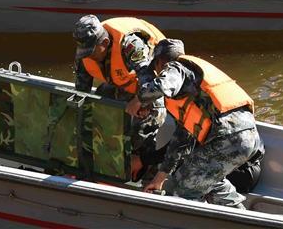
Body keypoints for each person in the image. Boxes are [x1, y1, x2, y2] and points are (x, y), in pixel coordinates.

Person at [132, 39, 262, 208]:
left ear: (160, 62)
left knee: (183, 187)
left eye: (156, 68)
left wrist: (139, 99)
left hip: (226, 137)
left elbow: (163, 85)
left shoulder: (176, 67)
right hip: (249, 137)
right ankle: (242, 217)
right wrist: (160, 177)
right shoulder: (193, 86)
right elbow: (181, 141)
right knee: (206, 178)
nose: (156, 72)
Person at [73, 15, 166, 179]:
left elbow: (151, 83)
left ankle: (147, 174)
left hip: (155, 85)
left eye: (91, 52)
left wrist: (138, 101)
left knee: (143, 128)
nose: (87, 56)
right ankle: (101, 165)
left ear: (105, 43)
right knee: (96, 112)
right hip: (123, 82)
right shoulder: (86, 48)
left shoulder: (131, 45)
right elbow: (82, 90)